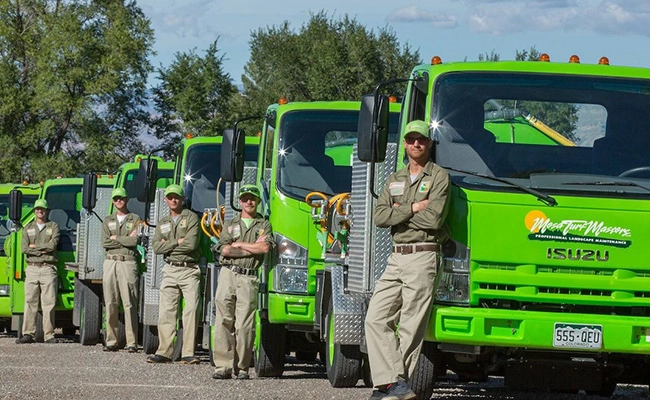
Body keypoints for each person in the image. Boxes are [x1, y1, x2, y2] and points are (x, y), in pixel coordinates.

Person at [364, 120, 451, 400]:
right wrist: (414, 207)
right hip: (396, 257)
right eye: (411, 139)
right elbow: (379, 216)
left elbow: (434, 219)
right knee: (375, 319)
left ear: (429, 144)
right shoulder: (394, 179)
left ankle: (391, 386)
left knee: (411, 325)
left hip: (423, 256)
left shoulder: (439, 177)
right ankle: (393, 383)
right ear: (404, 143)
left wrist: (399, 211)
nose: (416, 144)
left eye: (422, 140)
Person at [211, 184, 274, 380]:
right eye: (245, 198)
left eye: (252, 198)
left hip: (249, 276)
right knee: (223, 320)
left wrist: (238, 245)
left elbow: (264, 248)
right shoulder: (230, 224)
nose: (249, 201)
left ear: (258, 201)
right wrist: (249, 248)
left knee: (245, 324)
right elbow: (224, 249)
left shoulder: (264, 225)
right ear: (239, 202)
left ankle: (243, 367)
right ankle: (223, 366)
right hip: (228, 274)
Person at [146, 184, 201, 364]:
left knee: (191, 311)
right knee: (166, 312)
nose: (173, 200)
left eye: (176, 197)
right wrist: (177, 241)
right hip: (169, 269)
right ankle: (164, 352)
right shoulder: (162, 222)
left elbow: (192, 244)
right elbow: (155, 247)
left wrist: (168, 244)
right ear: (165, 199)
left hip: (189, 269)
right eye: (170, 197)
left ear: (182, 199)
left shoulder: (191, 217)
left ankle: (188, 353)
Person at [101, 187, 141, 352]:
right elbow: (105, 242)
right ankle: (111, 340)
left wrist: (116, 238)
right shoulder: (107, 220)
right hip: (110, 262)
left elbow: (135, 241)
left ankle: (132, 342)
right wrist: (125, 239)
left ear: (127, 199)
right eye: (116, 198)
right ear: (113, 201)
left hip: (128, 262)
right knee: (110, 302)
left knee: (129, 303)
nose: (119, 201)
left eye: (122, 198)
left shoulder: (135, 219)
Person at [16, 199, 60, 344]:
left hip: (48, 268)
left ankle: (49, 335)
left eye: (43, 209)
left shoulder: (53, 226)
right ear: (34, 211)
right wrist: (43, 249)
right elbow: (24, 248)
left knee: (49, 303)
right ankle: (28, 334)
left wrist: (35, 247)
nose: (40, 211)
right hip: (32, 268)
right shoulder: (27, 227)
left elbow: (53, 245)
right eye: (38, 209)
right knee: (30, 302)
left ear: (47, 211)